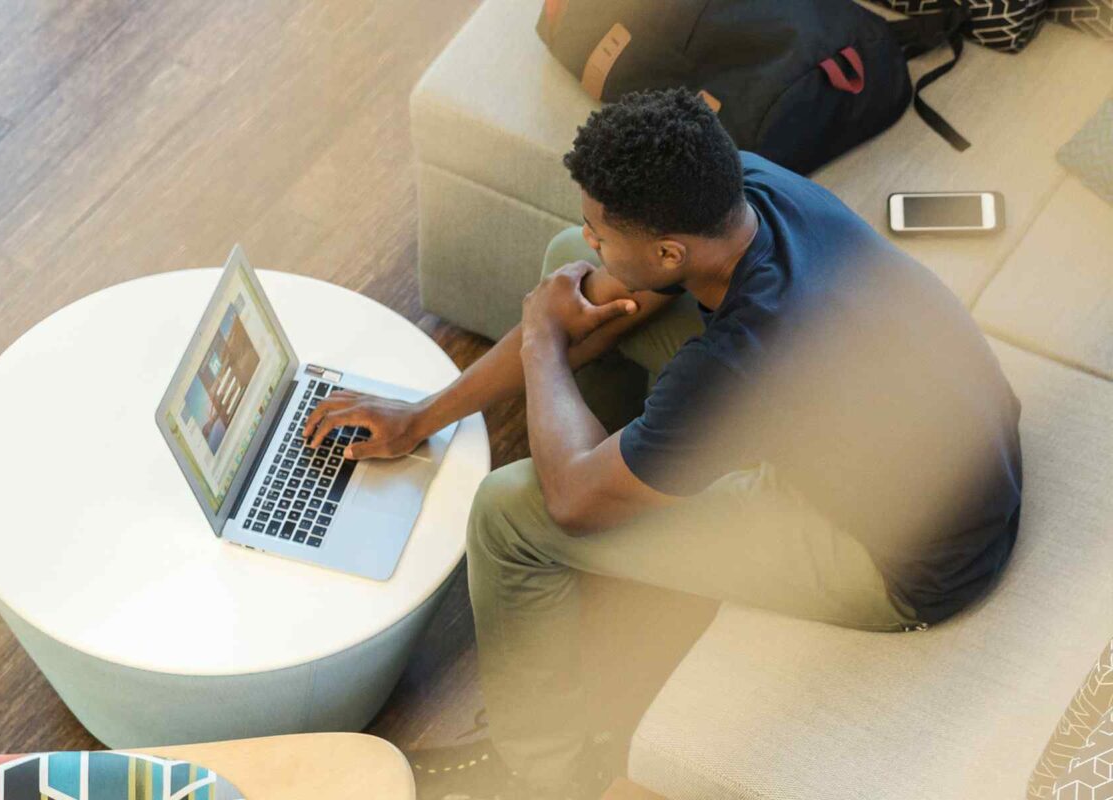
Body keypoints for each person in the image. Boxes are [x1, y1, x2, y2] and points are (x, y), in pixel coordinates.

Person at [302, 87, 1023, 800]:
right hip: (941, 444)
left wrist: (544, 342)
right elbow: (603, 296)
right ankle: (622, 495)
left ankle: (542, 772)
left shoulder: (744, 355)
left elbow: (569, 500)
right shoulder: (745, 189)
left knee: (509, 513)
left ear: (672, 250)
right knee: (572, 269)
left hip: (901, 559)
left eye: (602, 231)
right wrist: (420, 416)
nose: (590, 238)